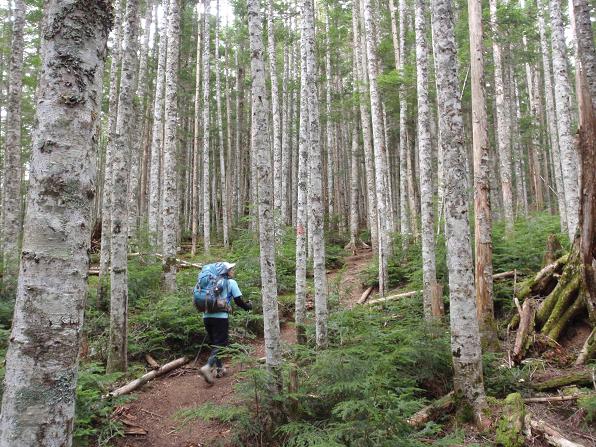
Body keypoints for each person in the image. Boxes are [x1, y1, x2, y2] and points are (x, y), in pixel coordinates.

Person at [198, 262, 252, 384]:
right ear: (226, 271)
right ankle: (207, 367)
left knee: (215, 344)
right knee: (221, 344)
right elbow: (239, 301)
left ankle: (219, 368)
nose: (233, 271)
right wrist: (248, 306)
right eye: (231, 269)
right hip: (221, 318)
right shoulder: (231, 283)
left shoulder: (210, 283)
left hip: (206, 316)